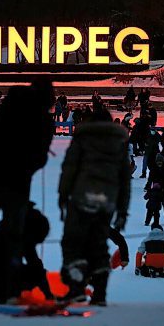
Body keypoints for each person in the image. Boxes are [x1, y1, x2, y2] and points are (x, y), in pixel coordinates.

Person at [0, 79, 55, 306]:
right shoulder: (44, 120)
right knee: (13, 238)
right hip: (17, 185)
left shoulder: (9, 106)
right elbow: (40, 156)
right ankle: (8, 291)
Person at [58, 109, 131, 306]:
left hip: (82, 197)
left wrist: (63, 195)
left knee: (73, 244)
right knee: (98, 247)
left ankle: (76, 288)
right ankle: (99, 295)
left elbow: (70, 167)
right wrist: (122, 210)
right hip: (106, 201)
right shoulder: (120, 143)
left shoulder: (83, 138)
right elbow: (125, 180)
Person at [0, 202, 53, 304]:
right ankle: (10, 294)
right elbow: (35, 266)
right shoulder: (17, 238)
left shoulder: (12, 230)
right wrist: (48, 295)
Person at [145, 153, 164, 226]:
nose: (159, 163)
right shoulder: (153, 169)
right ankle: (150, 221)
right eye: (158, 161)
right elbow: (150, 180)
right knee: (154, 208)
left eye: (160, 161)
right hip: (156, 191)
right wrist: (148, 188)